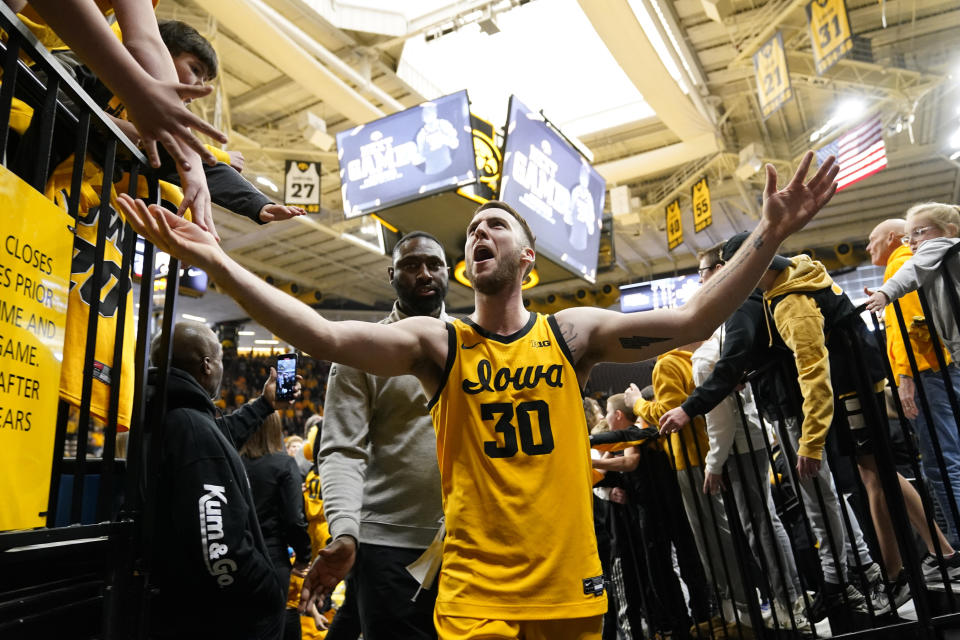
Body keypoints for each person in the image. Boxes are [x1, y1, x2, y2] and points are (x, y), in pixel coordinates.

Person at [118, 151, 839, 639]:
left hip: (567, 586)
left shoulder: (572, 333)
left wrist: (769, 233)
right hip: (473, 596)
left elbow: (691, 319)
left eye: (495, 223)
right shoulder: (440, 346)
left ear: (527, 257)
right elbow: (323, 335)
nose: (478, 233)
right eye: (472, 231)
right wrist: (219, 259)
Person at [725, 231, 959, 613]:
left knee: (876, 477)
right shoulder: (803, 270)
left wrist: (810, 443)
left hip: (853, 390)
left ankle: (901, 574)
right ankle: (935, 555)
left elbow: (814, 376)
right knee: (880, 475)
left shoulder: (791, 303)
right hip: (864, 382)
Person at [313, 231, 450, 640]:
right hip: (388, 548)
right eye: (411, 266)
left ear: (448, 274)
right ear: (391, 275)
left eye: (433, 264)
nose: (424, 273)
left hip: (468, 545)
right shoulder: (362, 351)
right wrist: (344, 529)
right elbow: (340, 449)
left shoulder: (473, 343)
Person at [145, 322, 296, 639]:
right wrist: (267, 589)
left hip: (182, 608)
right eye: (221, 359)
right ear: (207, 364)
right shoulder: (191, 429)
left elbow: (220, 438)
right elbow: (218, 545)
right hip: (221, 617)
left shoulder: (171, 416)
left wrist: (265, 405)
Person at [686, 244, 807, 632]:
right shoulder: (727, 331)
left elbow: (719, 418)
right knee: (765, 523)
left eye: (703, 272)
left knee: (761, 526)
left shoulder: (709, 352)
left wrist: (713, 463)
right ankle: (792, 601)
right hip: (754, 438)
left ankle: (792, 604)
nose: (701, 280)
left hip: (740, 446)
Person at [865, 217, 960, 547]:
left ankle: (958, 546)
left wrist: (905, 379)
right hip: (936, 371)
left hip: (928, 373)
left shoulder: (900, 264)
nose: (867, 247)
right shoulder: (913, 263)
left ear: (892, 237)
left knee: (942, 463)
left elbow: (914, 328)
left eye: (872, 239)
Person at [240, 412, 312, 640]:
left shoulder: (233, 461)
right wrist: (304, 556)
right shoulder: (284, 464)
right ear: (275, 430)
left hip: (236, 558)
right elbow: (294, 520)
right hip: (272, 559)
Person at [867, 203, 960, 361]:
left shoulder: (938, 244)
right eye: (907, 237)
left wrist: (885, 292)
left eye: (918, 232)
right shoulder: (939, 258)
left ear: (949, 230)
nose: (911, 241)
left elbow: (914, 268)